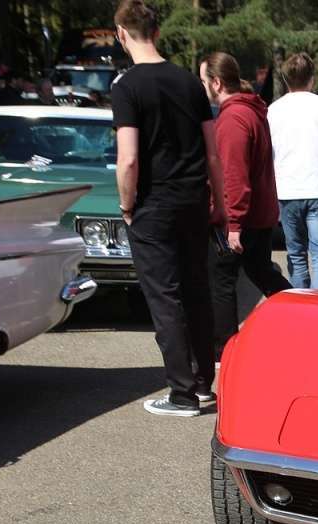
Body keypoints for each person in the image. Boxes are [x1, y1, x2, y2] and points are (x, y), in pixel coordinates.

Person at [111, 0, 225, 417]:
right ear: (156, 32)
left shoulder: (126, 87)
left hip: (153, 203)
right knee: (196, 291)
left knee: (165, 296)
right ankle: (203, 385)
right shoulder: (189, 82)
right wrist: (221, 203)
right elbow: (213, 153)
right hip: (193, 200)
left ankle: (181, 394)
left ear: (121, 35)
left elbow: (128, 159)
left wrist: (126, 205)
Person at [200, 52, 292, 361]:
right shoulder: (250, 110)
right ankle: (301, 315)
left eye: (203, 80)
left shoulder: (233, 118)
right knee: (261, 271)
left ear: (216, 82)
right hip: (257, 215)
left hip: (241, 219)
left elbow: (234, 176)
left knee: (221, 282)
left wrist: (234, 224)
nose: (202, 87)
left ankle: (224, 351)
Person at [267, 52, 318, 290]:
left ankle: (300, 300)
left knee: (296, 254)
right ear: (312, 79)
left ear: (286, 80)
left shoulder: (274, 110)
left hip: (287, 190)